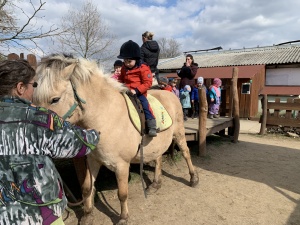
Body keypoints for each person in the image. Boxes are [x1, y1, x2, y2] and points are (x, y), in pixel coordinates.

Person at [0, 59, 100, 225]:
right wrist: (93, 134)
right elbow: (78, 145)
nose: (34, 90)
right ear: (20, 88)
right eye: (34, 85)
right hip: (40, 213)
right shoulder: (39, 117)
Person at [118, 40, 157, 137]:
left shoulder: (143, 68)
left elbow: (148, 83)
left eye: (129, 61)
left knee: (145, 104)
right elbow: (121, 79)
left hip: (139, 92)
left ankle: (151, 124)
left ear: (136, 59)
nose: (126, 63)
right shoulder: (124, 68)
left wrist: (136, 90)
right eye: (125, 61)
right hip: (126, 91)